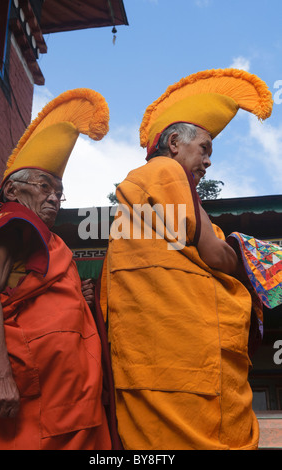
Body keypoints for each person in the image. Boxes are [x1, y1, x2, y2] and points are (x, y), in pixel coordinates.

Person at [102, 68, 273, 450]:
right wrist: (239, 252)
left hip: (152, 356)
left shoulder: (148, 185)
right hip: (181, 361)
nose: (208, 161)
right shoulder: (164, 172)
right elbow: (216, 257)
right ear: (175, 142)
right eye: (205, 149)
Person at [0, 88, 114, 450]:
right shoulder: (12, 222)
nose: (54, 197)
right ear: (12, 189)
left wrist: (78, 297)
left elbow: (37, 292)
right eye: (45, 187)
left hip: (66, 397)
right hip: (27, 395)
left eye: (60, 191)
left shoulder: (52, 243)